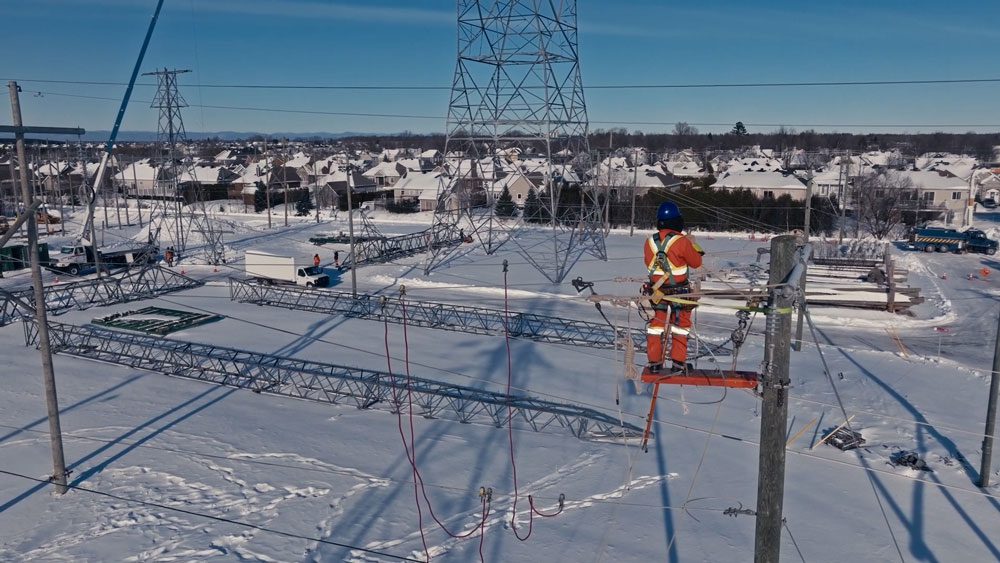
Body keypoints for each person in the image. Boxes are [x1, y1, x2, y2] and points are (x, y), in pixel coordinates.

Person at [643, 201, 704, 374]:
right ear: (677, 220)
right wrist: (692, 248)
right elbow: (696, 262)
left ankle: (654, 362)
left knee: (657, 323)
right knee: (680, 324)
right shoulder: (682, 241)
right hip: (679, 291)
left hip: (657, 291)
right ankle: (678, 363)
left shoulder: (649, 242)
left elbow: (648, 262)